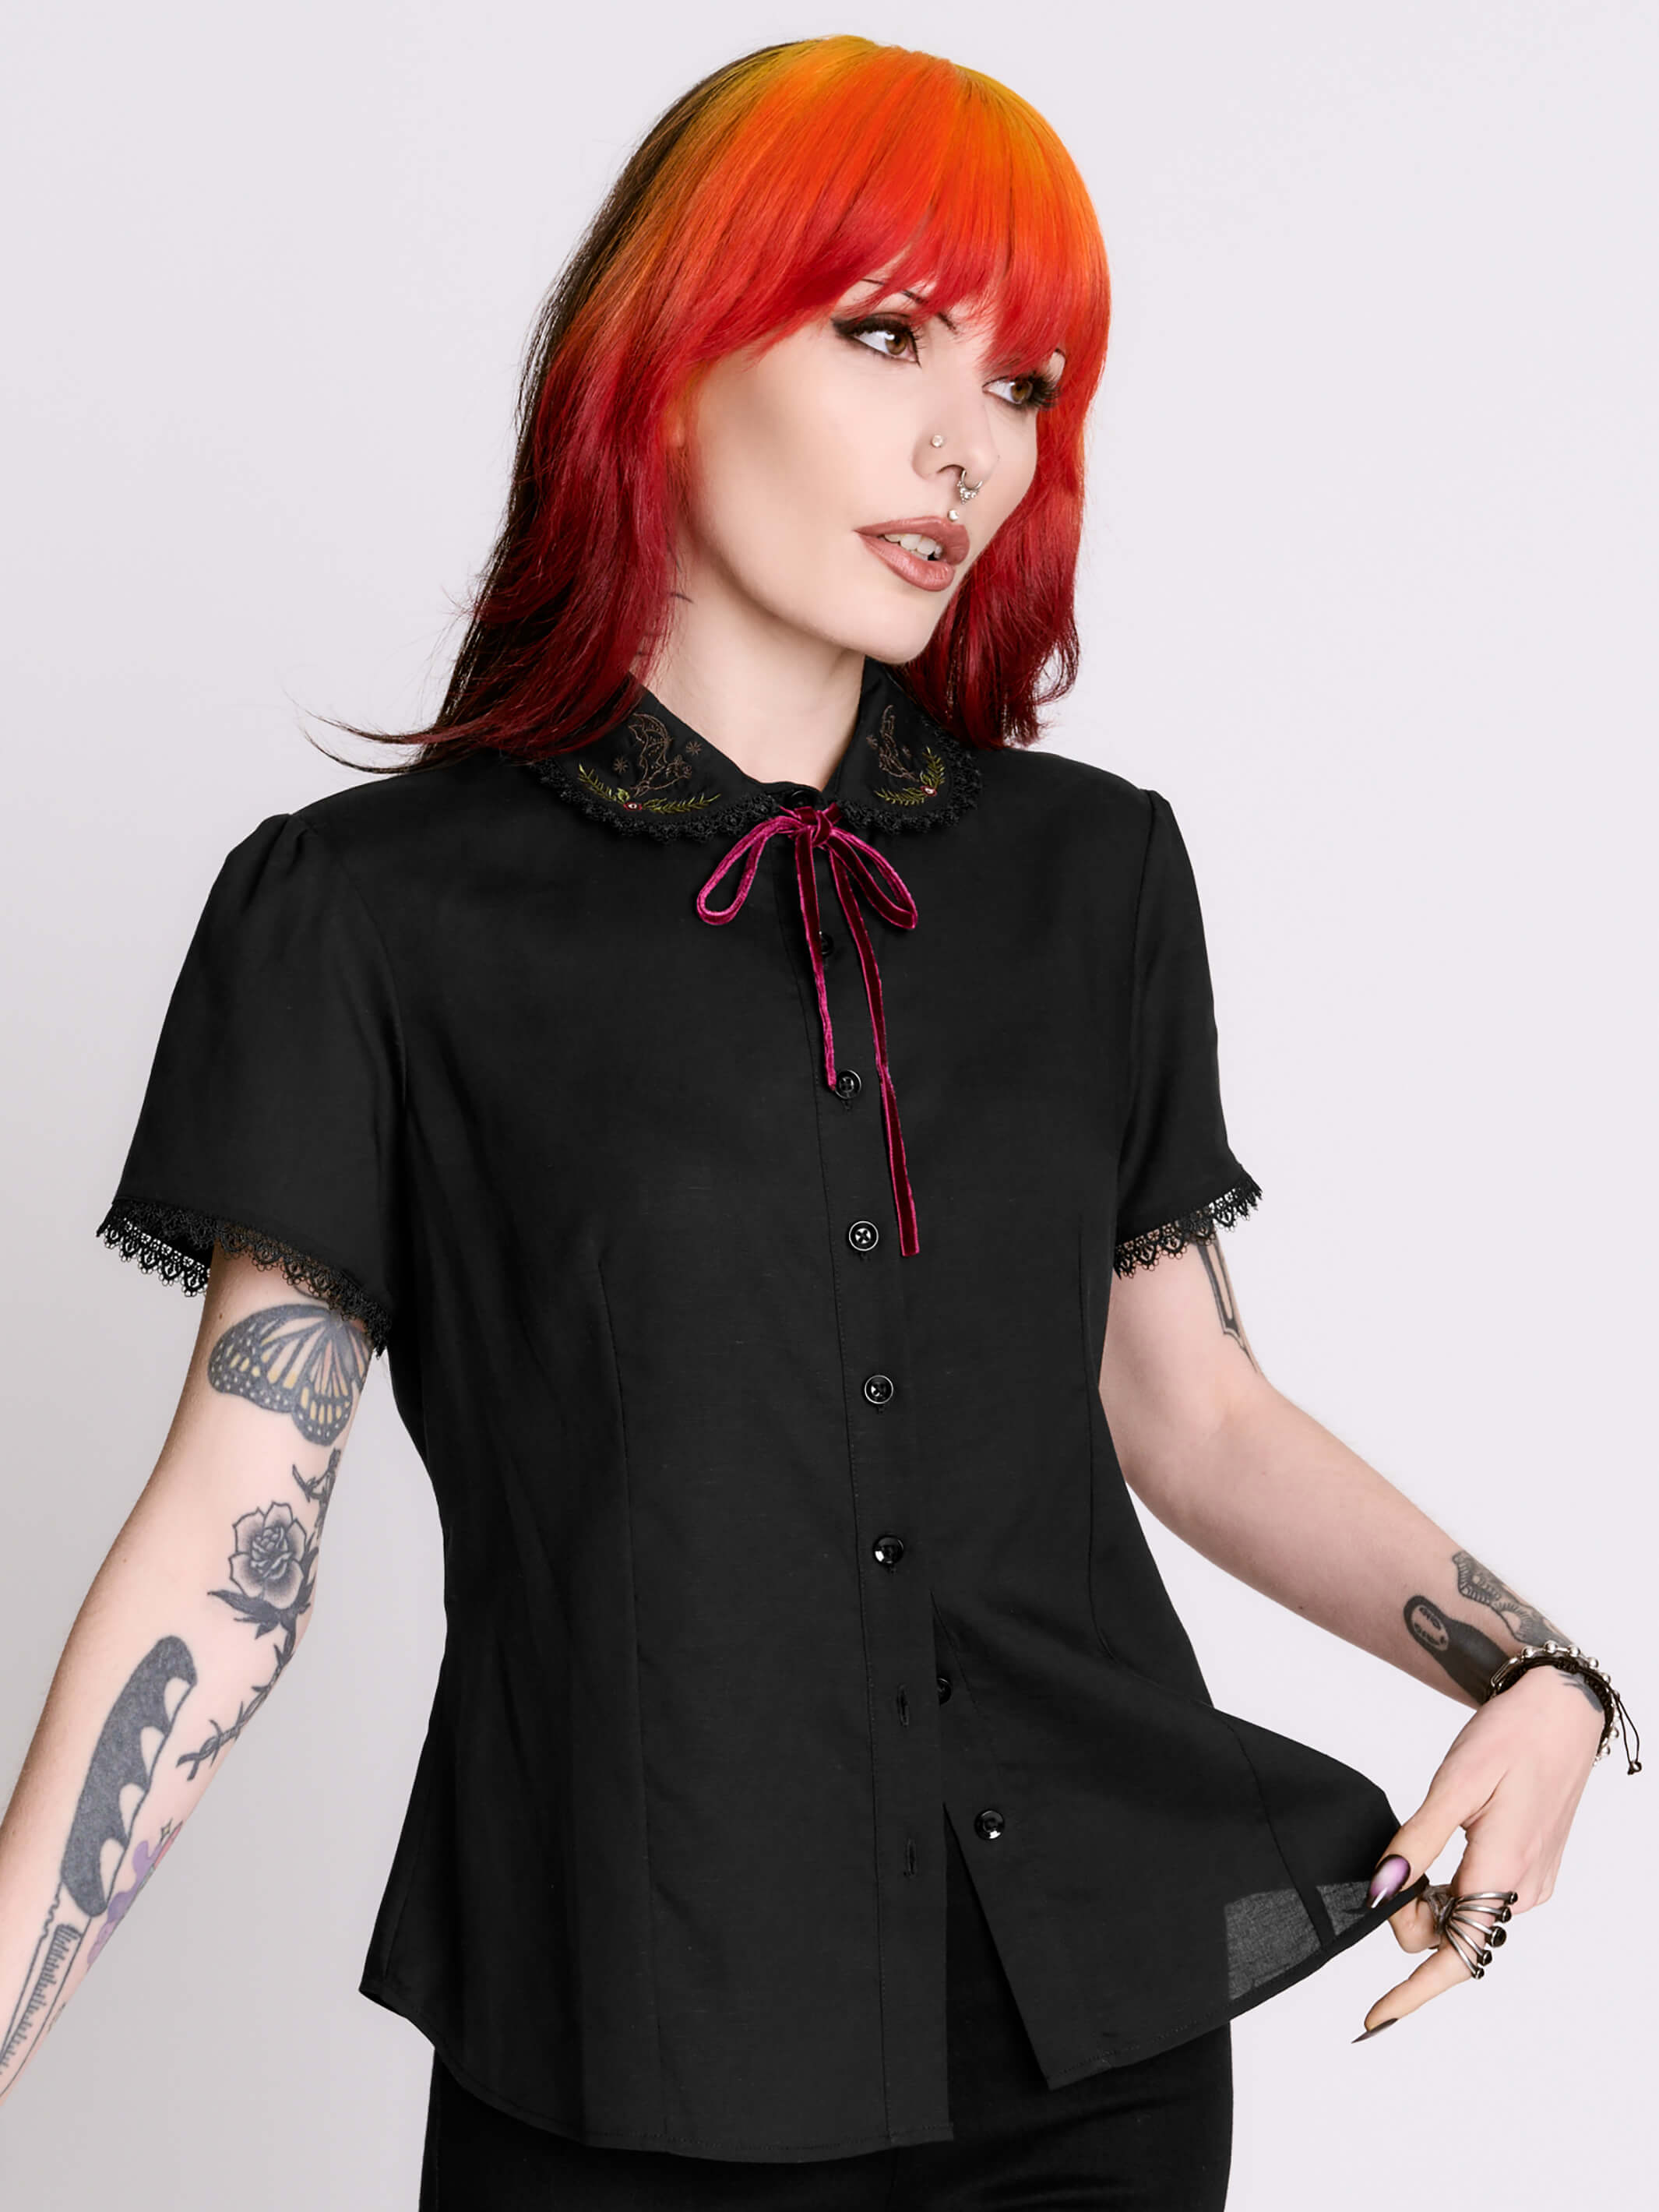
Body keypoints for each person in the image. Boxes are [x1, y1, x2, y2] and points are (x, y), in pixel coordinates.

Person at [0, 33, 1639, 2212]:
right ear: (668, 355)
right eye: (887, 338)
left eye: (1024, 383)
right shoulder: (368, 918)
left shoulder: (1091, 879)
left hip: (1090, 2058)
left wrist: (1549, 1679)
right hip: (631, 2047)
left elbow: (1195, 1410)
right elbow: (235, 1538)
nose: (968, 447)